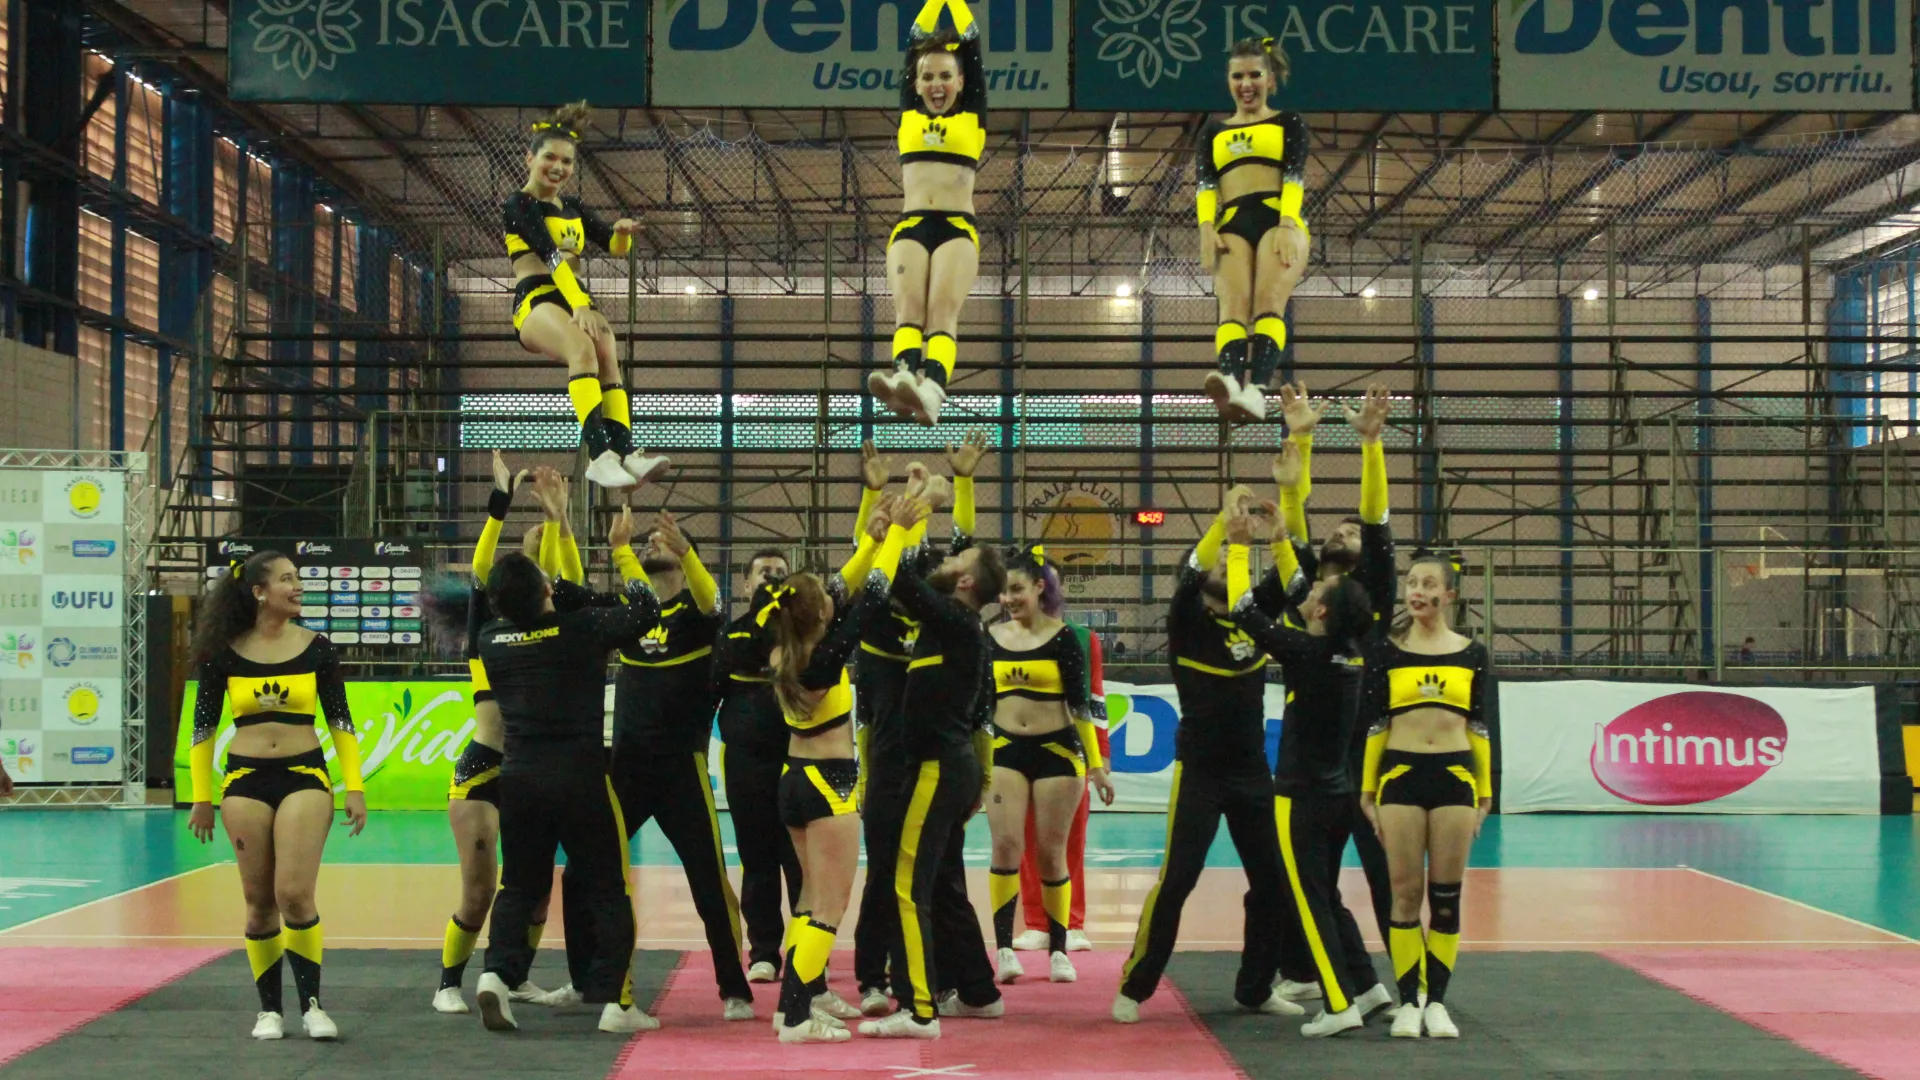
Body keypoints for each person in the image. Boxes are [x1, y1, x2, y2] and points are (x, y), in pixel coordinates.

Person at [1113, 487, 1304, 1025]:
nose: (1225, 564)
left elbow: (1296, 582)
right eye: (1218, 560)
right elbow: (1195, 567)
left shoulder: (1253, 611)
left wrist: (1282, 528)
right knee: (1178, 880)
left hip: (1252, 772)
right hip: (1200, 772)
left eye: (1229, 560)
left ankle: (1255, 989)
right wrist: (1224, 525)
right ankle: (1135, 984)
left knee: (1273, 882)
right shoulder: (1187, 619)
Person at [470, 540, 664, 1036]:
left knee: (519, 885)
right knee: (608, 888)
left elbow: (524, 606)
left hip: (519, 779)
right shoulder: (581, 628)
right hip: (580, 778)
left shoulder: (492, 637)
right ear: (546, 589)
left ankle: (496, 975)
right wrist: (621, 552)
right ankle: (616, 1003)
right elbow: (646, 609)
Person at [1224, 504, 1395, 1036]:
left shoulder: (1307, 653)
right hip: (1336, 794)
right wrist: (1280, 538)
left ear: (1321, 612)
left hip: (1299, 795)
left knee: (1308, 899)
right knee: (1327, 894)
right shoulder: (1348, 652)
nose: (1310, 588)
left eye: (1318, 591)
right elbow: (1299, 591)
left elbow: (1242, 609)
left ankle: (1339, 1003)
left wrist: (1238, 547)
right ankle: (1367, 987)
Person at [186, 550, 369, 1041]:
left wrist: (354, 787)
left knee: (293, 893)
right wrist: (201, 798)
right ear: (259, 592)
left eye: (298, 578)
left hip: (304, 775)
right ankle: (270, 1011)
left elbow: (341, 722)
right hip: (244, 781)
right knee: (258, 901)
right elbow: (203, 729)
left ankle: (312, 1006)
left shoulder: (317, 647)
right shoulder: (223, 652)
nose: (297, 586)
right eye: (287, 579)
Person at [762, 497, 916, 1043]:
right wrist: (895, 537)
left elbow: (845, 589)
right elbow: (870, 596)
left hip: (794, 780)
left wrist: (870, 540)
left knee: (809, 900)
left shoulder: (784, 645)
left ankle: (793, 1006)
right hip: (829, 785)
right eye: (827, 600)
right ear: (822, 616)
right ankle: (796, 1016)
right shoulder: (824, 658)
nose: (835, 597)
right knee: (831, 905)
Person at [857, 529, 1008, 1040]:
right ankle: (978, 993)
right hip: (944, 767)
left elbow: (901, 578)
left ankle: (918, 1008)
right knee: (938, 884)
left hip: (938, 769)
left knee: (906, 886)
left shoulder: (955, 619)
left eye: (958, 559)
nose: (946, 560)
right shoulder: (951, 623)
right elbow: (900, 587)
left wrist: (904, 526)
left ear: (966, 582)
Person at [604, 506, 754, 1020]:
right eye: (648, 540)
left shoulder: (696, 614)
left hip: (680, 770)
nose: (652, 542)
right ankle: (598, 986)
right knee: (589, 876)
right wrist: (618, 549)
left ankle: (734, 988)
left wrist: (687, 550)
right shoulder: (631, 612)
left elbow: (714, 602)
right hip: (626, 767)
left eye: (662, 538)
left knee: (709, 883)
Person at [430, 454, 564, 1015]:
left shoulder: (550, 631)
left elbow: (561, 582)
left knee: (536, 891)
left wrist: (555, 521)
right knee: (480, 890)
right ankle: (447, 983)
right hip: (483, 770)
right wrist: (500, 504)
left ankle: (515, 977)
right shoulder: (485, 635)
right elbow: (483, 569)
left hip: (531, 772)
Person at [1273, 382, 1399, 972]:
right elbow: (1293, 516)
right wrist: (1301, 437)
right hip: (1312, 760)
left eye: (1352, 534)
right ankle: (1314, 975)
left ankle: (1412, 985)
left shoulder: (1371, 594)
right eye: (1338, 530)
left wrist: (1370, 444)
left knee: (1385, 879)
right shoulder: (1305, 588)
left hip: (1367, 757)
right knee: (1310, 879)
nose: (1343, 533)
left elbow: (1375, 517)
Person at [1359, 551, 1496, 1040]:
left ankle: (1437, 1001)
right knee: (1404, 893)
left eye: (1429, 584)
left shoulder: (1472, 654)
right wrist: (1368, 788)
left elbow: (1479, 725)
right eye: (1412, 582)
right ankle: (1408, 1001)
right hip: (1401, 775)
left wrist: (1485, 791)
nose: (1417, 592)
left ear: (1449, 595)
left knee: (1445, 898)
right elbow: (1376, 723)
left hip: (1455, 777)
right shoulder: (1386, 651)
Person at [504, 100, 669, 490]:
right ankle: (600, 456)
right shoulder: (519, 204)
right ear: (530, 158)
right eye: (549, 157)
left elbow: (611, 244)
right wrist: (580, 304)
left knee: (607, 353)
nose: (558, 167)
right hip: (536, 298)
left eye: (566, 161)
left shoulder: (573, 206)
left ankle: (626, 453)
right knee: (581, 349)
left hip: (574, 297)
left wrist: (621, 234)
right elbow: (549, 254)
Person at [985, 546, 1115, 985]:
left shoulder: (1066, 638)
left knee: (1051, 851)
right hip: (1005, 750)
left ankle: (1059, 949)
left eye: (1017, 589)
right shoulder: (990, 636)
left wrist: (1096, 766)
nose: (1009, 599)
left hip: (1058, 752)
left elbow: (1081, 707)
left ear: (1040, 587)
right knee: (1005, 845)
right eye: (1004, 592)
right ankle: (1004, 949)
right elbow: (982, 706)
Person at [867, 0, 986, 426]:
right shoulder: (908, 116)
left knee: (941, 312)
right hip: (911, 225)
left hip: (957, 228)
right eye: (928, 76)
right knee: (908, 310)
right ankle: (904, 379)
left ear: (961, 81)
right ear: (915, 84)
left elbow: (972, 42)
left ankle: (932, 390)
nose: (937, 84)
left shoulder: (972, 117)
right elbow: (914, 38)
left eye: (946, 76)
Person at [1195, 38, 1310, 424]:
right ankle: (1231, 386)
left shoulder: (1288, 121)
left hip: (1278, 217)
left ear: (1270, 79)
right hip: (1232, 223)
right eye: (1238, 76)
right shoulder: (1212, 129)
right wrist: (1205, 226)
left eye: (1255, 75)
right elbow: (1205, 185)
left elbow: (1294, 175)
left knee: (1268, 302)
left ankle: (1257, 392)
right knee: (1232, 305)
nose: (1246, 84)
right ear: (1228, 81)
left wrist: (1288, 223)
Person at [713, 546, 803, 985]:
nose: (771, 578)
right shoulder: (732, 636)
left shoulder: (803, 639)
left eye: (780, 573)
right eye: (763, 572)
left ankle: (807, 950)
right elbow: (715, 686)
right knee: (757, 859)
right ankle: (764, 952)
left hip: (798, 764)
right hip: (746, 765)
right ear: (746, 584)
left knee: (800, 861)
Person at [1013, 595, 1110, 954]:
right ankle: (1037, 923)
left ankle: (1072, 922)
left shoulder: (1084, 638)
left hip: (1070, 751)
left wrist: (1101, 755)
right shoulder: (1006, 637)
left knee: (1072, 838)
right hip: (1019, 750)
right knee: (1026, 839)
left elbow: (1094, 698)